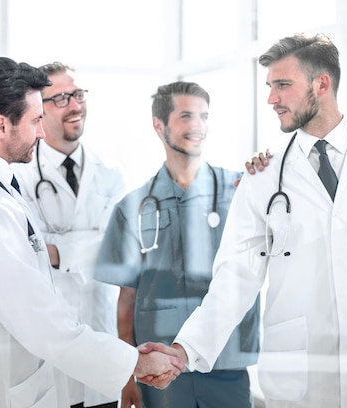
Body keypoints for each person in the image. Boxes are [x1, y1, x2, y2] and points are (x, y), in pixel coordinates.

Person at [171, 33, 347, 407]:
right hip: (297, 379)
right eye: (269, 86)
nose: (271, 99)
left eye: (282, 85)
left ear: (322, 84)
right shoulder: (262, 175)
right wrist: (186, 349)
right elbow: (236, 277)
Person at [0, 57, 182, 408]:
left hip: (43, 367)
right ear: (2, 126)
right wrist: (135, 362)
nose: (42, 133)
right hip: (0, 390)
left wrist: (61, 251)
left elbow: (122, 250)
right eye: (35, 121)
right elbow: (41, 322)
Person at [95, 81, 261, 408]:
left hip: (226, 364)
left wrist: (265, 170)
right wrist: (127, 377)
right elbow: (126, 301)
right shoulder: (132, 208)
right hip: (161, 372)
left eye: (204, 116)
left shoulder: (241, 191)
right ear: (159, 126)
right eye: (186, 116)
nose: (198, 126)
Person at [12, 62, 127, 408]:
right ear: (38, 110)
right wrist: (90, 242)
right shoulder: (20, 175)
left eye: (78, 94)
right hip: (48, 347)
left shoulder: (111, 174)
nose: (75, 105)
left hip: (101, 340)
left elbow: (119, 250)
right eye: (60, 98)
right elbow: (24, 253)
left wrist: (59, 253)